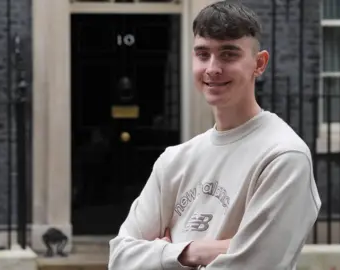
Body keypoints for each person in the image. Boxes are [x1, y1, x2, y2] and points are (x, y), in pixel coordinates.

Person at [108, 1, 321, 270]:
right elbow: (119, 258)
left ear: (259, 63)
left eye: (228, 54)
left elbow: (252, 265)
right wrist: (192, 252)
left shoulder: (283, 157)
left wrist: (161, 254)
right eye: (202, 54)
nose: (212, 68)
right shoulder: (174, 160)